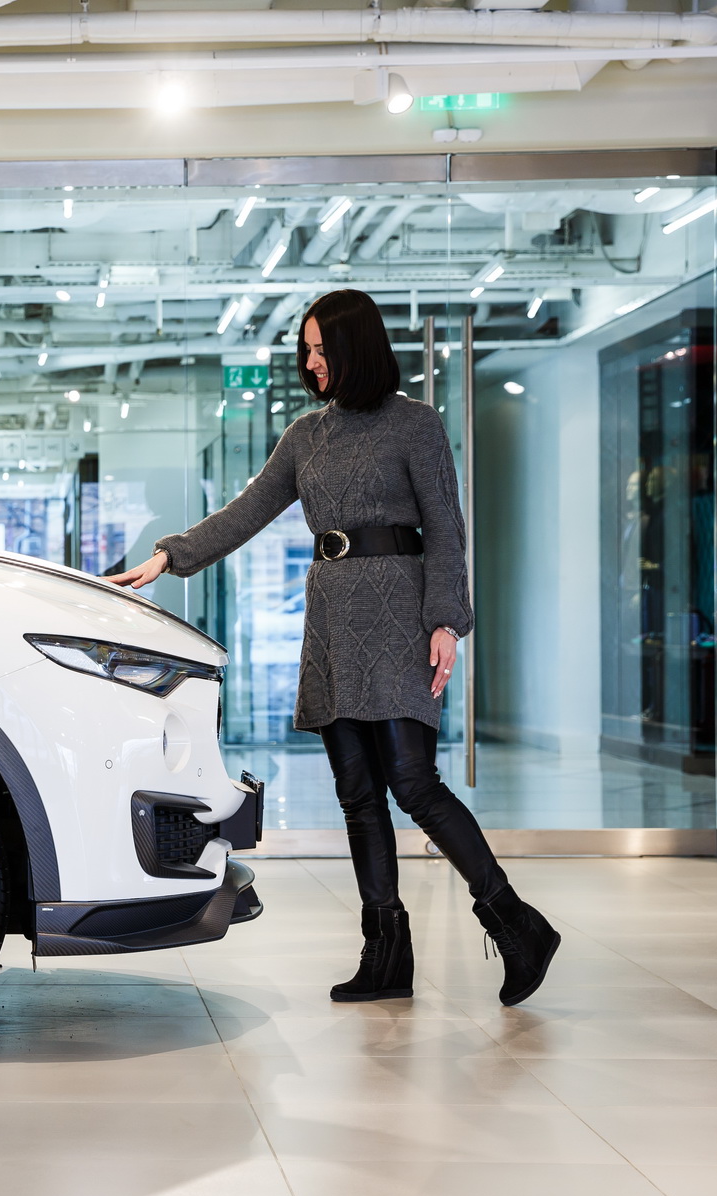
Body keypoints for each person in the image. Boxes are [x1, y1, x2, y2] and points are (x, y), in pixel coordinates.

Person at [107, 289, 559, 1006]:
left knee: (413, 782)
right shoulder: (305, 436)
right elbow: (247, 511)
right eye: (308, 351)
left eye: (323, 350)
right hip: (331, 619)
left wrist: (446, 621)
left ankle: (515, 923)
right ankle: (386, 952)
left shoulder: (416, 424)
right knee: (357, 794)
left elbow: (447, 530)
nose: (312, 363)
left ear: (358, 348)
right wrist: (170, 556)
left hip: (400, 614)